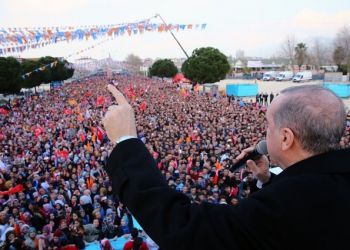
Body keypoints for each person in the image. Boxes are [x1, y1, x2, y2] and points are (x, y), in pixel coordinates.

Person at [102, 84, 350, 249]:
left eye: (267, 125)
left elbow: (182, 227)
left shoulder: (281, 208)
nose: (264, 133)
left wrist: (126, 141)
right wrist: (267, 180)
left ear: (286, 138)